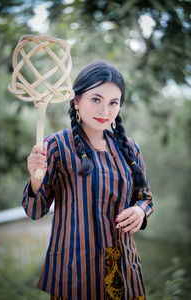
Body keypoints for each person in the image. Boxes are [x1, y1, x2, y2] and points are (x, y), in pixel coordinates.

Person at [22, 60, 153, 300]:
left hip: (124, 272)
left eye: (113, 102)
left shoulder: (129, 148)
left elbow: (145, 196)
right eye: (96, 99)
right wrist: (35, 178)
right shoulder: (56, 146)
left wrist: (140, 211)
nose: (105, 111)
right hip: (75, 272)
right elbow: (35, 210)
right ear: (76, 101)